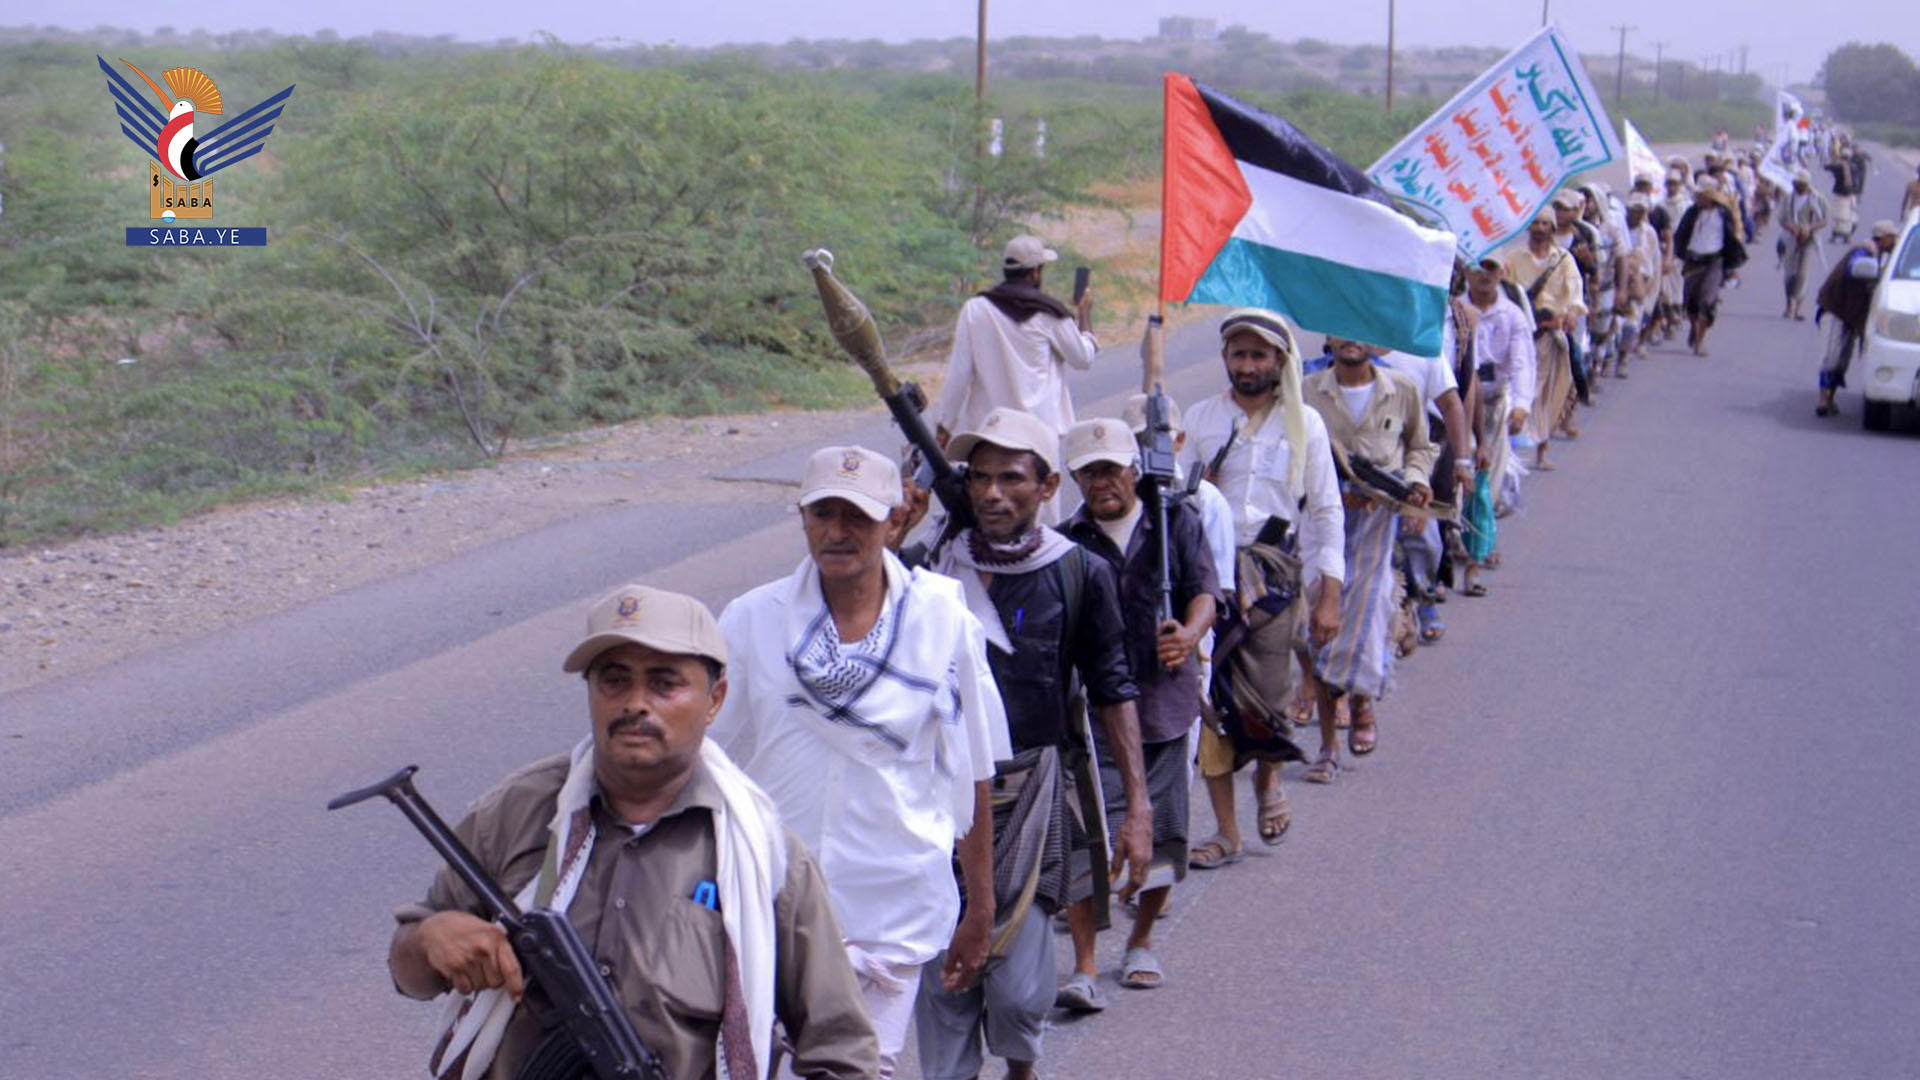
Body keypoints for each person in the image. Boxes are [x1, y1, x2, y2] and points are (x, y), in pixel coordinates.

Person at [385, 585, 879, 1080]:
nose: (636, 704)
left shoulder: (766, 859)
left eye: (665, 684)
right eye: (614, 681)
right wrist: (429, 939)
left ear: (715, 700)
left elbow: (841, 1052)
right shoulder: (520, 811)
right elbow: (409, 973)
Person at [710, 445, 1010, 1079]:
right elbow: (693, 748)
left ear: (895, 522)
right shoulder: (752, 621)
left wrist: (980, 909)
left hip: (892, 910)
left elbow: (973, 770)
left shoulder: (942, 619)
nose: (837, 531)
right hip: (772, 908)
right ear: (803, 519)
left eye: (857, 516)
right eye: (823, 513)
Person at [912, 406, 1152, 1079]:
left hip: (1033, 794)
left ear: (1048, 488)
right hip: (939, 795)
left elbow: (1111, 687)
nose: (992, 493)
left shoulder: (1078, 572)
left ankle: (1021, 1065)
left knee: (1019, 995)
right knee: (943, 980)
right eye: (981, 477)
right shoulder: (926, 570)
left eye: (1012, 478)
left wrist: (1137, 807)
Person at [1058, 416, 1221, 995]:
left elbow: (1208, 590)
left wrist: (1191, 633)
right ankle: (1085, 963)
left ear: (1134, 468)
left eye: (1112, 469)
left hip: (1165, 705)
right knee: (1088, 838)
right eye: (1090, 471)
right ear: (1076, 478)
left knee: (1166, 831)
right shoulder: (1067, 540)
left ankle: (1141, 940)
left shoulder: (1176, 519)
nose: (1103, 482)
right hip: (1095, 712)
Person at [1177, 309, 1344, 868]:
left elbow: (1325, 511)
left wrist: (1330, 594)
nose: (1247, 366)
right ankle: (1226, 832)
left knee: (1269, 698)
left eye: (1259, 355)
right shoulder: (1201, 419)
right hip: (1207, 576)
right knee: (1210, 702)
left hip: (1273, 579)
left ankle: (1269, 779)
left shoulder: (1306, 424)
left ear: (1279, 362)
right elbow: (1174, 502)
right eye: (1238, 355)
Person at [1300, 338, 1435, 782]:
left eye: (1360, 328)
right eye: (1341, 327)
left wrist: (1415, 487)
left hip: (1377, 523)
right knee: (1320, 624)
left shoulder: (1403, 388)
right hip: (1322, 522)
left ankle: (1361, 702)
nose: (1350, 337)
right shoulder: (1306, 391)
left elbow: (1419, 447)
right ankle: (1327, 746)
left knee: (1369, 614)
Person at [931, 234, 1098, 441]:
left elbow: (959, 373)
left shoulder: (975, 309)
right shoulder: (1049, 313)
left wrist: (945, 426)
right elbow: (1083, 359)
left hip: (989, 432)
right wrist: (1084, 313)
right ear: (1035, 272)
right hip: (1039, 435)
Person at [1462, 258, 1537, 592]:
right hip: (1457, 403)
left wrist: (1521, 406)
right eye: (1477, 268)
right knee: (1456, 475)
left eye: (1490, 268)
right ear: (1466, 273)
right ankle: (1463, 540)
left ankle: (1477, 551)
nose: (1483, 275)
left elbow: (1522, 363)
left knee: (1487, 484)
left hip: (1494, 405)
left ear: (1502, 272)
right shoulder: (1453, 310)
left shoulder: (1513, 316)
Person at [1502, 212, 1582, 470]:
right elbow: (1503, 290)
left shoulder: (1563, 260)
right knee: (1514, 391)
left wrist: (1570, 312)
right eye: (1535, 223)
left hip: (1549, 335)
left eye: (1544, 224)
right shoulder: (1513, 258)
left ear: (1552, 228)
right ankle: (1508, 452)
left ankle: (1542, 451)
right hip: (1519, 333)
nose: (1539, 228)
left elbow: (1575, 293)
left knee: (1547, 394)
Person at [1814, 220, 1900, 417]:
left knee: (1843, 359)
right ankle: (1822, 399)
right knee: (1830, 357)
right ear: (1883, 238)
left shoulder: (1883, 257)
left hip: (1853, 315)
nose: (1895, 241)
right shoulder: (1863, 253)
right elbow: (1855, 270)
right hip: (1837, 308)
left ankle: (1830, 398)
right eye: (1892, 237)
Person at [1672, 177, 1748, 357]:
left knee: (1707, 301)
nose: (1698, 198)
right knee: (1691, 301)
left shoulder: (1724, 214)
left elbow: (1735, 234)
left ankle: (1699, 342)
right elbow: (1681, 234)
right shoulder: (1692, 213)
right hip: (1693, 260)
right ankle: (1694, 326)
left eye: (1701, 195)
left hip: (1715, 261)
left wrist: (1733, 260)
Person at [1780, 168, 1830, 321]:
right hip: (1790, 238)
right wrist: (1793, 228)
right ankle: (1789, 304)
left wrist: (1809, 228)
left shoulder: (1818, 199)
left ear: (1806, 184)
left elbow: (1825, 220)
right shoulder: (1789, 198)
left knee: (1802, 274)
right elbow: (1782, 219)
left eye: (1799, 183)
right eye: (1795, 183)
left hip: (1809, 239)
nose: (1796, 186)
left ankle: (1797, 308)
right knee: (1789, 274)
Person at [1825, 144, 1859, 244]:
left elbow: (1826, 166)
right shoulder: (1854, 167)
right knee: (1850, 217)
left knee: (1838, 217)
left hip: (1840, 194)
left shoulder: (1838, 167)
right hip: (1851, 195)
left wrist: (1834, 159)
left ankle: (1834, 237)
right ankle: (1847, 237)